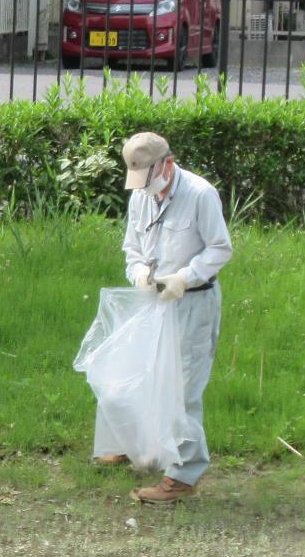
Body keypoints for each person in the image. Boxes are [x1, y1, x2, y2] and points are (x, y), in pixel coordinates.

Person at [97, 130, 233, 504]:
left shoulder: (201, 194)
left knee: (183, 390)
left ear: (168, 164)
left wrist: (183, 278)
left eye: (151, 178)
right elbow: (132, 248)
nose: (146, 188)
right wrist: (139, 273)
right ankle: (136, 444)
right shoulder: (141, 196)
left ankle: (185, 473)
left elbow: (221, 250)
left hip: (192, 302)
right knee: (132, 373)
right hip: (151, 300)